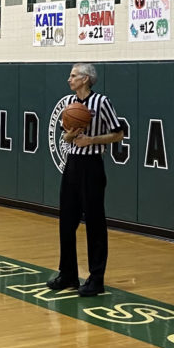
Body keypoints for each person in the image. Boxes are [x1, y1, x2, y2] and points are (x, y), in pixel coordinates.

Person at [46, 63, 124, 296]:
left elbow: (118, 133)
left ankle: (96, 278)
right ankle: (68, 273)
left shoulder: (101, 102)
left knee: (95, 221)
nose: (69, 79)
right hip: (72, 164)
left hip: (92, 166)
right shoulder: (71, 105)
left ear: (86, 79)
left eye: (73, 75)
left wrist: (92, 140)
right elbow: (66, 135)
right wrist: (70, 135)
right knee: (66, 220)